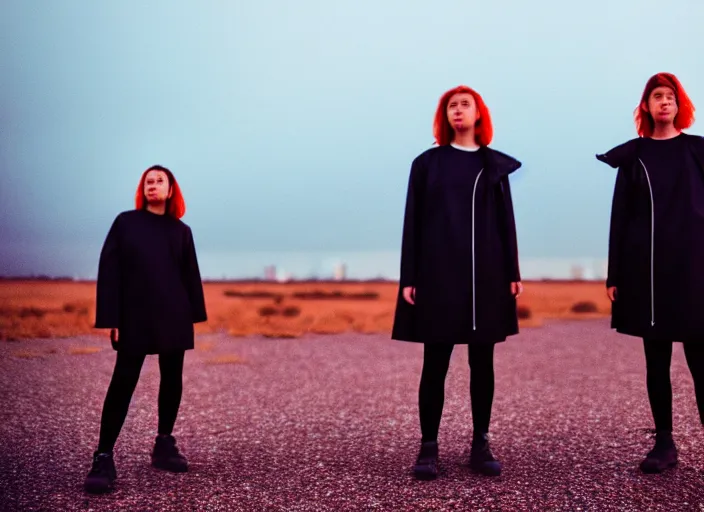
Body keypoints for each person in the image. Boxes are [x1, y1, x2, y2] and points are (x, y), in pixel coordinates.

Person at [391, 85, 523, 480]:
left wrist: (512, 272)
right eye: (452, 105)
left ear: (479, 114)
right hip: (437, 274)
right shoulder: (426, 163)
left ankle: (480, 444)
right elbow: (411, 221)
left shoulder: (493, 165)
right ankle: (428, 447)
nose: (458, 110)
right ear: (444, 116)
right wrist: (409, 276)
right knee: (436, 362)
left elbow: (506, 222)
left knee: (482, 361)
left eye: (465, 104)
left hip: (487, 275)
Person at [596, 72, 704, 474]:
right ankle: (664, 444)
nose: (664, 102)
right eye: (657, 96)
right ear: (646, 106)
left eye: (670, 97)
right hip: (649, 274)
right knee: (656, 362)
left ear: (679, 106)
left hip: (695, 269)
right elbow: (619, 217)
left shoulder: (698, 150)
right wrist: (615, 274)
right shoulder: (633, 156)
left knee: (701, 362)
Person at [84, 165, 208, 494]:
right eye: (148, 182)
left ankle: (164, 445)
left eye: (159, 181)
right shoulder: (126, 223)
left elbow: (189, 274)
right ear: (143, 189)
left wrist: (193, 317)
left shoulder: (181, 231)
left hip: (174, 316)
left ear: (171, 190)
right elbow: (109, 271)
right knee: (123, 381)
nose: (153, 186)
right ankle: (103, 456)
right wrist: (112, 318)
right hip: (134, 317)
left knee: (172, 378)